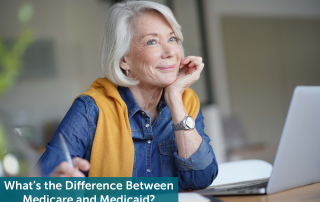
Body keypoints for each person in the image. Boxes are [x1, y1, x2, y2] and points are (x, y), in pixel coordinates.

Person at [37, 1, 218, 191]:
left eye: (172, 39)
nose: (170, 52)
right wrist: (58, 185)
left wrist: (175, 99)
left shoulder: (186, 102)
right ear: (124, 59)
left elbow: (201, 178)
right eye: (152, 41)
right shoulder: (91, 109)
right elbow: (32, 189)